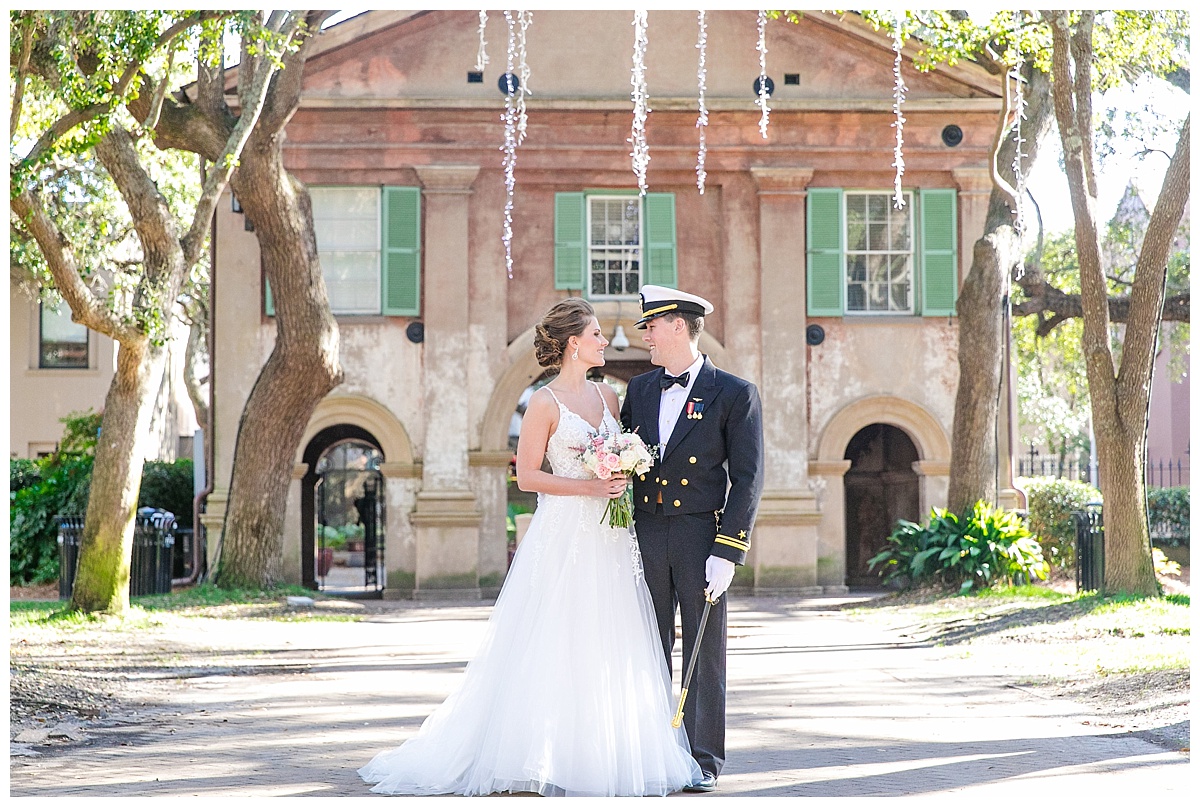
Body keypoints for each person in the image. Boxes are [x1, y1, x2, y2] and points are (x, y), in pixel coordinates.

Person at [358, 297, 701, 797]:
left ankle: (604, 751)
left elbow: (627, 455)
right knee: (555, 637)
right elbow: (530, 476)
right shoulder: (543, 403)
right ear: (571, 344)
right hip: (564, 533)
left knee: (610, 636)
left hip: (609, 535)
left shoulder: (609, 399)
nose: (605, 340)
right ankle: (540, 753)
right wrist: (591, 485)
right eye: (596, 334)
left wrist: (622, 470)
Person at [619, 285, 765, 793]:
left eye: (652, 328)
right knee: (646, 644)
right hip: (645, 530)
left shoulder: (734, 392)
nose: (647, 339)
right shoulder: (639, 391)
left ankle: (703, 759)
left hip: (700, 534)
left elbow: (747, 478)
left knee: (704, 652)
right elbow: (624, 458)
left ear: (678, 326)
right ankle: (651, 750)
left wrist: (728, 549)